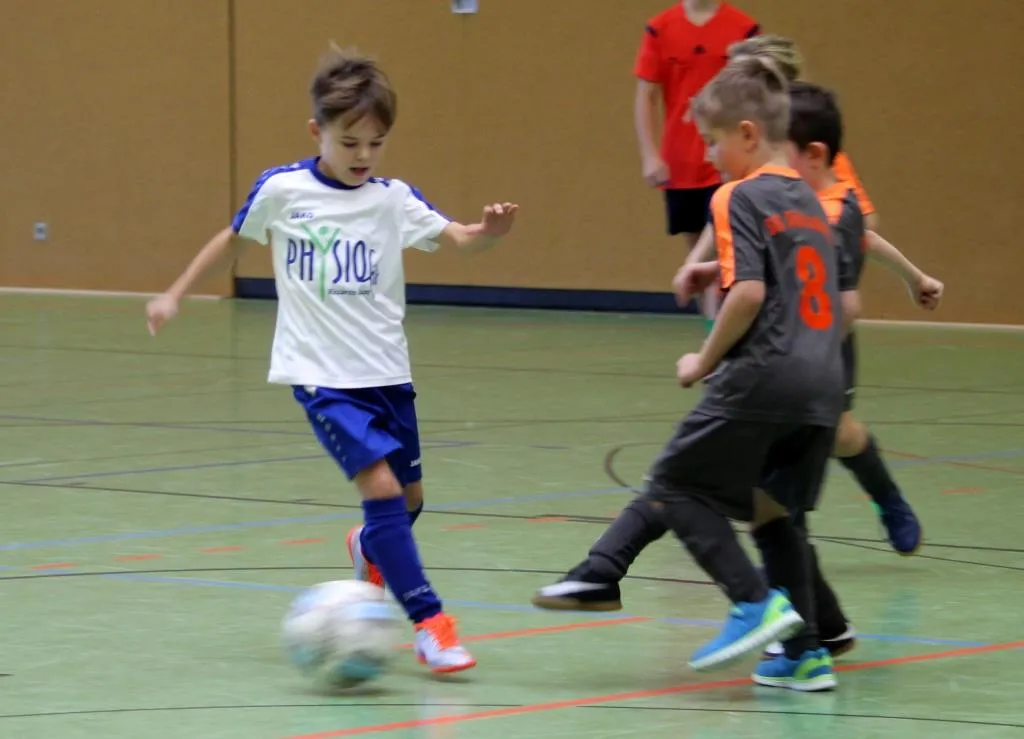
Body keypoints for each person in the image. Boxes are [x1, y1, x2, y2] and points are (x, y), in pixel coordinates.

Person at [145, 46, 518, 675]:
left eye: (376, 143)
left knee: (409, 501)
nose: (363, 155)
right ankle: (430, 624)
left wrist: (488, 234)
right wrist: (175, 293)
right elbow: (231, 242)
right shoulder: (283, 190)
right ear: (316, 130)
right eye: (349, 143)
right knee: (382, 488)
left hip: (388, 374)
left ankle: (368, 545)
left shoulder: (392, 199)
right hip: (322, 378)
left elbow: (458, 238)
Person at [552, 55, 847, 687]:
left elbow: (749, 296)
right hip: (823, 387)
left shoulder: (736, 194)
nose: (708, 156)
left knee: (676, 486)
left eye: (712, 141)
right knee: (772, 513)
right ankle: (804, 653)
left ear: (747, 134)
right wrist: (717, 267)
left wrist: (703, 360)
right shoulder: (808, 197)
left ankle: (752, 602)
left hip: (763, 377)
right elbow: (796, 279)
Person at [677, 34, 939, 554]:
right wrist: (700, 261)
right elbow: (728, 210)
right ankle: (788, 545)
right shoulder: (742, 149)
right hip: (769, 322)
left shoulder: (806, 149)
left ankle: (884, 499)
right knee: (770, 429)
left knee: (835, 431)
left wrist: (911, 275)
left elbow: (859, 228)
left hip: (816, 319)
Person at [634, 0, 759, 330]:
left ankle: (723, 331)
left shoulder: (743, 28)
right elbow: (646, 95)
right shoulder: (660, 28)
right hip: (683, 163)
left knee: (725, 244)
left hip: (729, 159)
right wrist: (650, 154)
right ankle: (712, 330)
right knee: (698, 254)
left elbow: (758, 93)